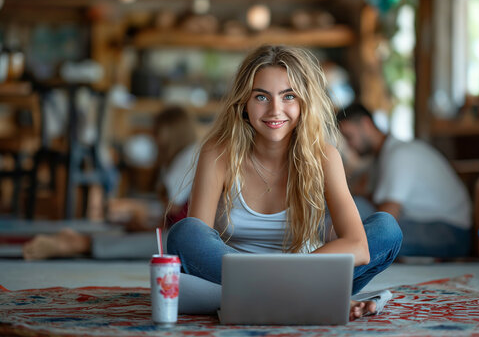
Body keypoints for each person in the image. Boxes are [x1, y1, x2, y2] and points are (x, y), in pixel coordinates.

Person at [166, 45, 402, 320]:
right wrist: (287, 281)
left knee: (387, 229)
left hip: (304, 277)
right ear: (244, 102)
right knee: (184, 232)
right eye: (261, 97)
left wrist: (292, 273)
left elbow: (359, 247)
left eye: (288, 96)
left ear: (304, 102)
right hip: (236, 277)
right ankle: (305, 301)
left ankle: (265, 299)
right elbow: (197, 240)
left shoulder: (324, 157)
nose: (275, 110)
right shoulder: (218, 153)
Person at [22, 106, 198, 260]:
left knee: (165, 246)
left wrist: (135, 209)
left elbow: (172, 208)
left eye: (155, 134)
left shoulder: (187, 157)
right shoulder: (185, 157)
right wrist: (146, 227)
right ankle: (82, 241)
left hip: (189, 237)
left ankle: (80, 243)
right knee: (161, 241)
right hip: (185, 233)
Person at [337, 103, 472, 258]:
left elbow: (387, 219)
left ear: (366, 124)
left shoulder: (399, 154)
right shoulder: (379, 159)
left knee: (368, 236)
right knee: (356, 213)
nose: (349, 145)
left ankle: (330, 256)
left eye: (349, 136)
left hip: (450, 231)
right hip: (421, 222)